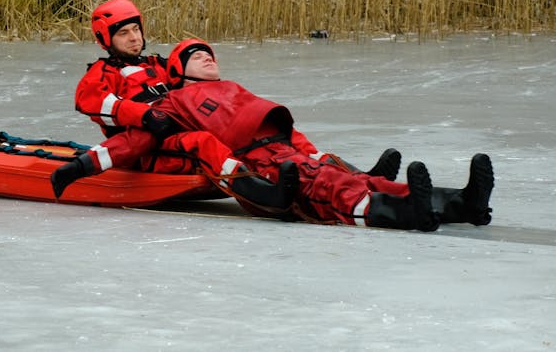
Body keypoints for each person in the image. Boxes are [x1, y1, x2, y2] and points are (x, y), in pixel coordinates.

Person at [63, 37, 495, 231]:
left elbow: (287, 128)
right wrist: (84, 164)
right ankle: (407, 214)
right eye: (197, 56)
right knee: (333, 191)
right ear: (178, 71)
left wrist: (322, 154)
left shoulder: (232, 88)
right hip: (259, 162)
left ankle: (460, 203)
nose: (208, 59)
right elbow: (137, 140)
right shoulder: (173, 103)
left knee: (356, 179)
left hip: (285, 148)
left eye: (210, 54)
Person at [60, 0, 305, 211]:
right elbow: (93, 102)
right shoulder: (102, 73)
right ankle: (262, 193)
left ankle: (304, 165)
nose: (134, 38)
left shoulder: (160, 65)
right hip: (143, 147)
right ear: (106, 37)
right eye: (123, 33)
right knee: (203, 142)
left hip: (182, 129)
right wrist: (146, 116)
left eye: (136, 29)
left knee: (248, 126)